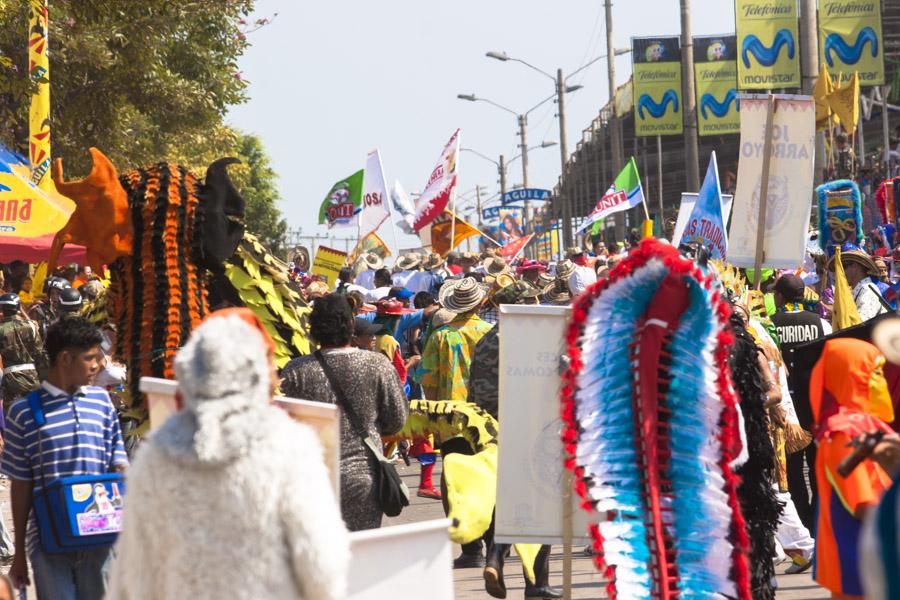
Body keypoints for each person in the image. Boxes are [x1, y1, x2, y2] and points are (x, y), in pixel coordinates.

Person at [106, 309, 349, 600]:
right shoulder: (289, 446)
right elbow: (321, 562)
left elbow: (132, 572)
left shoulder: (155, 454)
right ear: (259, 371)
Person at [2, 317, 128, 600]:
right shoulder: (23, 413)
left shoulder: (102, 404)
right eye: (91, 358)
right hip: (49, 545)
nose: (98, 365)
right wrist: (20, 554)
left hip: (102, 540)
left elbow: (120, 468)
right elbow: (20, 486)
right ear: (65, 358)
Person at [281, 295, 409, 531]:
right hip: (363, 479)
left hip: (310, 480)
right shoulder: (378, 365)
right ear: (351, 326)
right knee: (361, 556)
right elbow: (397, 420)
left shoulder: (295, 372)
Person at [810, 338, 894, 599]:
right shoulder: (843, 432)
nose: (883, 381)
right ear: (853, 376)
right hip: (857, 555)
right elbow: (861, 503)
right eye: (876, 372)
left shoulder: (866, 424)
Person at [770, 273, 832, 532]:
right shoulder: (822, 324)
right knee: (818, 467)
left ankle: (805, 523)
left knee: (793, 473)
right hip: (815, 407)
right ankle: (818, 522)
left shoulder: (770, 325)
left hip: (788, 412)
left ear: (780, 296)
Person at [418, 278, 492, 403]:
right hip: (483, 410)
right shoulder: (490, 333)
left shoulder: (439, 336)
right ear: (480, 303)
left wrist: (434, 415)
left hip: (449, 412)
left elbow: (428, 382)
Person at [0, 293, 42, 410]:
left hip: (10, 379)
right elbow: (39, 352)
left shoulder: (1, 329)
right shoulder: (31, 325)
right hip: (32, 377)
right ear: (18, 307)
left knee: (12, 417)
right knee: (37, 414)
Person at [830, 248, 890, 322]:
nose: (840, 273)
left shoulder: (867, 290)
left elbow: (859, 323)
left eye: (843, 267)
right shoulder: (857, 291)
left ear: (855, 266)